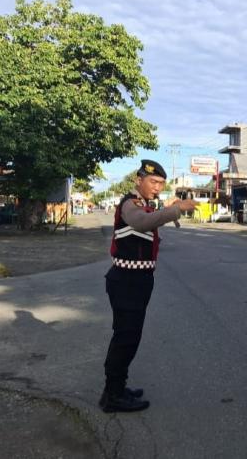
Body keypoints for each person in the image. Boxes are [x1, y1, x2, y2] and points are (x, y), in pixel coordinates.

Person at [99, 159, 197, 413]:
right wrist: (177, 210)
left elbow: (150, 221)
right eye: (153, 182)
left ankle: (117, 389)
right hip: (126, 281)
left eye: (161, 184)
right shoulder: (129, 205)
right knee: (126, 338)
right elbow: (141, 222)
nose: (157, 187)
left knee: (129, 336)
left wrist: (167, 210)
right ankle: (113, 395)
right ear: (138, 180)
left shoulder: (144, 205)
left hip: (137, 281)